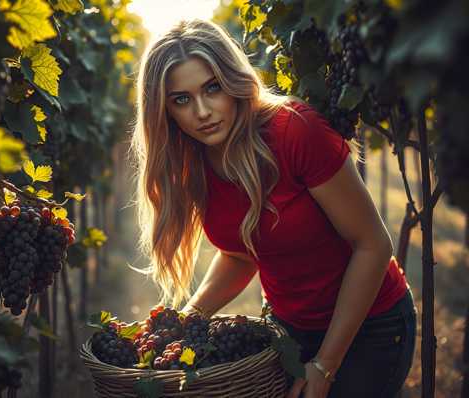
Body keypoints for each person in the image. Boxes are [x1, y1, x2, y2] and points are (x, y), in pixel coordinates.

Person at [129, 18, 417, 398]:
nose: (201, 111)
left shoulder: (294, 131)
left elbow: (373, 245)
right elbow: (239, 254)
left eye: (212, 88)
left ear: (234, 82)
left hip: (371, 325)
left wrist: (325, 364)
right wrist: (188, 318)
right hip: (291, 330)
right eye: (181, 99)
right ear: (164, 111)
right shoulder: (194, 161)